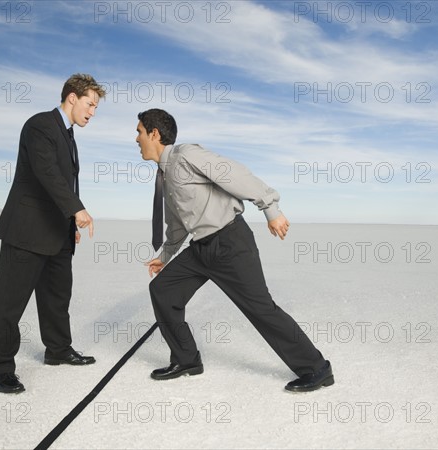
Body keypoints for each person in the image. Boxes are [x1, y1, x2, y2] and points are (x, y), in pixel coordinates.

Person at [135, 108, 334, 392]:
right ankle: (187, 359)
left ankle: (317, 368)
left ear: (154, 134)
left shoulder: (186, 155)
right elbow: (178, 223)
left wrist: (270, 208)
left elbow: (235, 174)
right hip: (201, 248)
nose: (136, 138)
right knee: (163, 290)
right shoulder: (165, 176)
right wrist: (165, 257)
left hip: (230, 243)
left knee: (261, 309)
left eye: (139, 132)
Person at [0, 74, 106, 394]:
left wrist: (68, 223)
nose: (93, 112)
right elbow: (47, 173)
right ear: (72, 97)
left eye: (96, 107)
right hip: (27, 231)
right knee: (9, 305)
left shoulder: (68, 135)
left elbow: (63, 183)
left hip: (57, 233)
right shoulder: (40, 125)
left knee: (56, 299)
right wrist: (77, 210)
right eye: (90, 104)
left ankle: (58, 350)